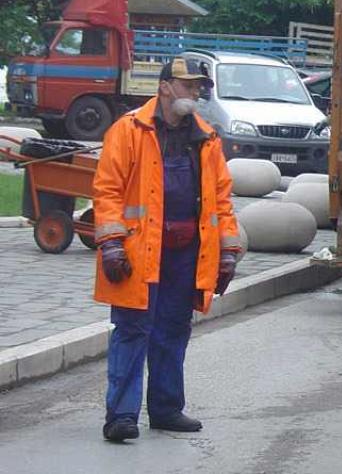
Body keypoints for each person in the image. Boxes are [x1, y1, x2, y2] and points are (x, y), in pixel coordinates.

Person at [93, 56, 243, 443]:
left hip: (185, 253)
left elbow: (221, 202)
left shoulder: (206, 139)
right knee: (132, 330)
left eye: (198, 86)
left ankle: (165, 409)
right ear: (163, 86)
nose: (195, 92)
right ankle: (121, 416)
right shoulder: (128, 131)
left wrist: (228, 249)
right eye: (188, 85)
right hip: (139, 250)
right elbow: (107, 190)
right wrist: (111, 243)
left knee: (173, 329)